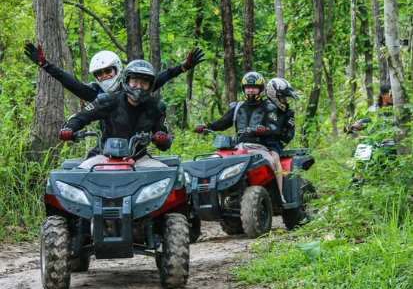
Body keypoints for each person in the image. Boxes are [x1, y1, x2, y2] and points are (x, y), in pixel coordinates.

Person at [194, 71, 291, 202]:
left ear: (260, 89)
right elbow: (222, 122)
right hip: (237, 148)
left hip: (260, 148)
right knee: (213, 161)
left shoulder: (269, 107)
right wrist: (206, 126)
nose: (250, 90)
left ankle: (280, 195)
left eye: (254, 87)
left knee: (274, 162)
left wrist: (264, 130)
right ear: (244, 89)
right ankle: (214, 199)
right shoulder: (238, 106)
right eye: (248, 87)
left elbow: (275, 128)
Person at [58, 59, 172, 169]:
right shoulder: (107, 101)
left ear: (150, 85)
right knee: (78, 177)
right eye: (134, 81)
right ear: (127, 81)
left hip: (139, 158)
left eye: (144, 83)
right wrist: (69, 128)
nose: (139, 86)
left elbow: (165, 141)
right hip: (104, 156)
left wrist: (161, 138)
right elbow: (82, 117)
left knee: (168, 176)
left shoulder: (156, 107)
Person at [24, 42, 205, 101]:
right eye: (99, 74)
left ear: (117, 68)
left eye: (107, 71)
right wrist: (46, 65)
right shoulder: (96, 93)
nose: (104, 76)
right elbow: (69, 81)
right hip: (106, 147)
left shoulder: (134, 86)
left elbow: (161, 77)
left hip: (136, 147)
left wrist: (183, 66)